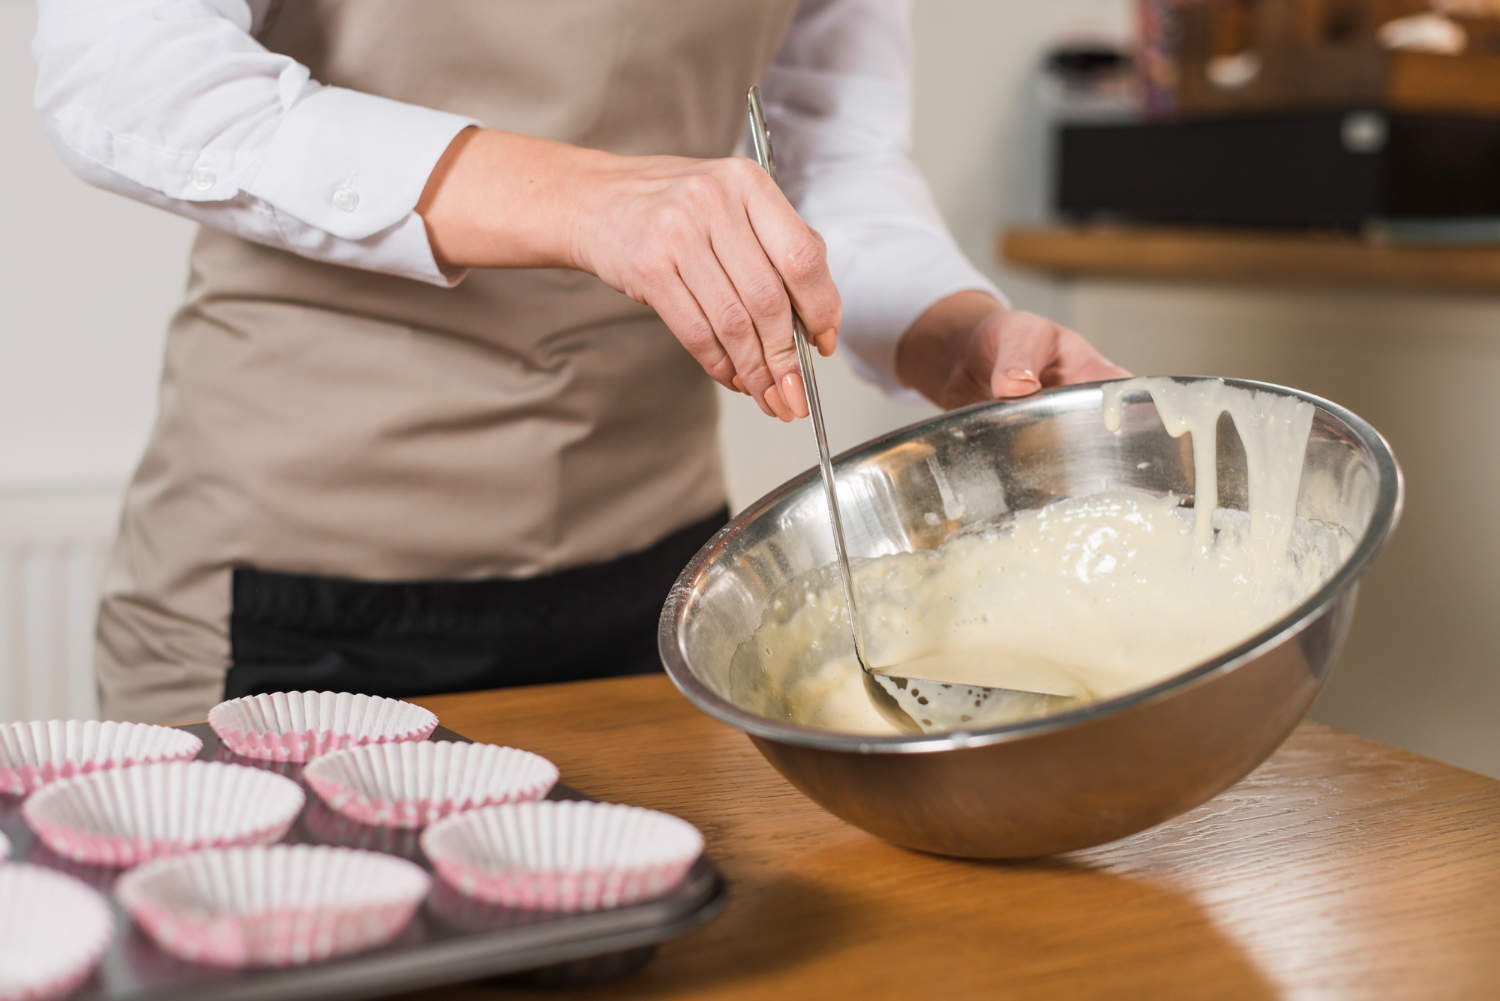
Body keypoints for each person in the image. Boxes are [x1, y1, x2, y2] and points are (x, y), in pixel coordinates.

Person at [33, 0, 1127, 724]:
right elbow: (122, 71)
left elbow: (828, 155)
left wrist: (955, 330)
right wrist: (586, 199)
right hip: (290, 599)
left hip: (659, 592)